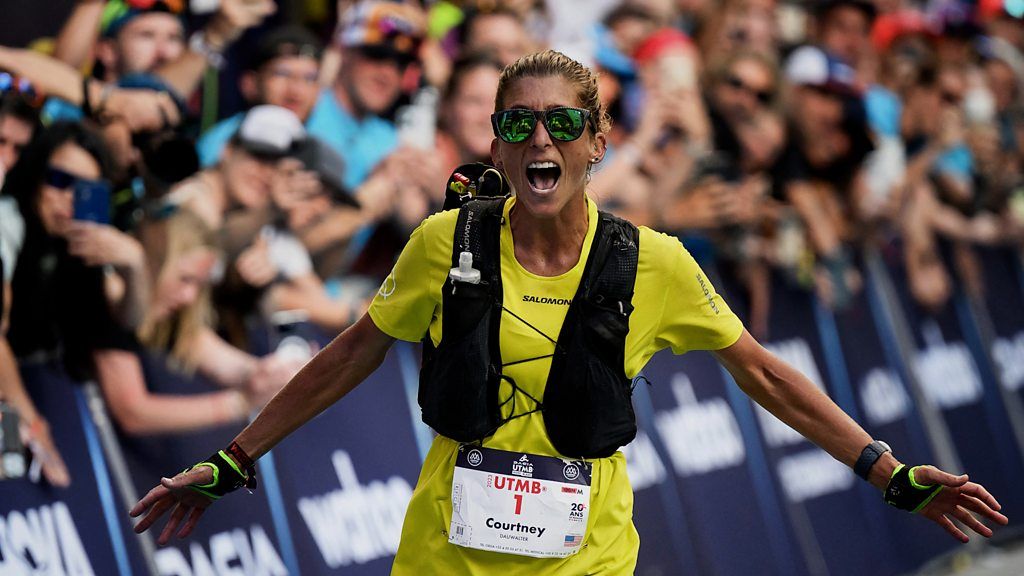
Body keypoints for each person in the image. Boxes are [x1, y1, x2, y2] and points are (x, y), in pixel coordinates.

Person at [130, 50, 1007, 574]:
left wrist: (887, 472)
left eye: (558, 124)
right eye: (516, 125)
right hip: (447, 555)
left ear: (597, 142)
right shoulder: (446, 243)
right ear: (496, 145)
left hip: (584, 559)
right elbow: (348, 355)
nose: (538, 141)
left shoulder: (652, 262)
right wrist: (232, 462)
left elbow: (766, 374)